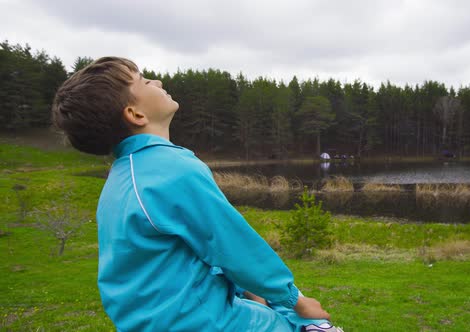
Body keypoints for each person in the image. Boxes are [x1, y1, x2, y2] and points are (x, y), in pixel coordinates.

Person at [52, 57, 342, 332]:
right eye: (143, 82)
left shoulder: (120, 180)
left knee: (265, 307)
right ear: (136, 114)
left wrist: (246, 289)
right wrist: (297, 301)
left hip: (157, 322)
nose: (157, 81)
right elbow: (233, 245)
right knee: (300, 323)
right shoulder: (171, 169)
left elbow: (177, 256)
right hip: (200, 322)